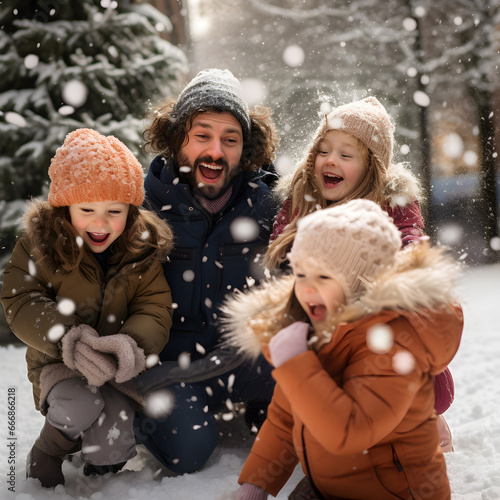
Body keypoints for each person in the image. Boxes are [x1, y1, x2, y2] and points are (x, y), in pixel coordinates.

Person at [221, 198, 464, 500]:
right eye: (300, 275)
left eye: (323, 276)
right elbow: (286, 419)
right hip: (334, 483)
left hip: (396, 491)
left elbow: (351, 432)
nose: (307, 288)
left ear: (359, 284)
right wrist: (254, 487)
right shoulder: (313, 330)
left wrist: (296, 363)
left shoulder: (391, 344)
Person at [265, 96, 454, 452]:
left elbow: (412, 243)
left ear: (371, 168)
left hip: (374, 321)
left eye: (346, 155)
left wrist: (400, 265)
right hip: (321, 319)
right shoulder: (301, 200)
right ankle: (329, 441)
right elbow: (280, 253)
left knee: (393, 350)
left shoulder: (394, 203)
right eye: (323, 150)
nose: (330, 160)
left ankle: (416, 417)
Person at [1, 128, 174, 488]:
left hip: (116, 366)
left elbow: (154, 305)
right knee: (80, 404)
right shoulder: (41, 245)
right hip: (59, 361)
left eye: (115, 211)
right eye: (87, 210)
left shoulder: (139, 251)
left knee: (115, 425)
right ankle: (49, 450)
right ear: (65, 208)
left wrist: (131, 344)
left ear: (131, 210)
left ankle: (102, 472)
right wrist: (69, 339)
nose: (100, 223)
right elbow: (21, 299)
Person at [133, 68, 280, 474]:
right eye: (202, 135)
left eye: (230, 139)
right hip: (172, 371)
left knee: (301, 426)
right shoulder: (140, 207)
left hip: (245, 362)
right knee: (190, 450)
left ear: (245, 148)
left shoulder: (267, 206)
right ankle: (151, 419)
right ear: (176, 137)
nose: (216, 151)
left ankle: (259, 409)